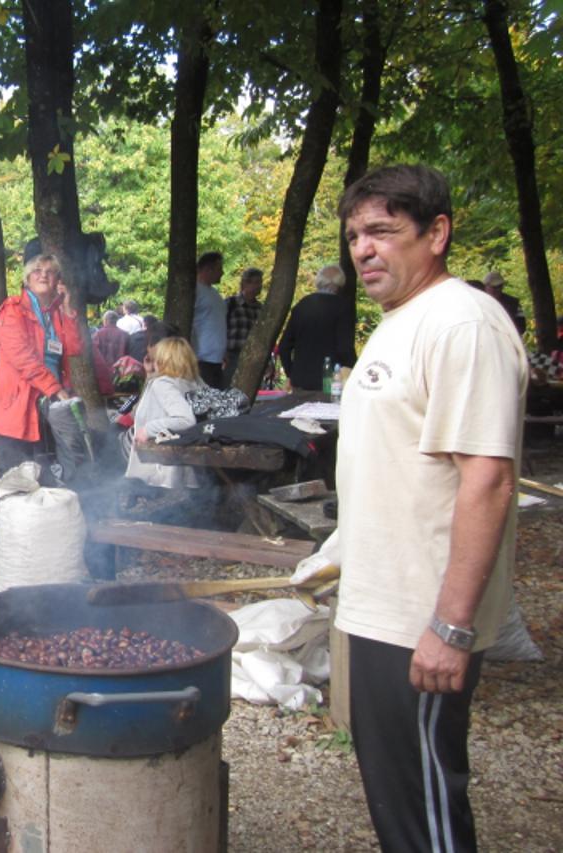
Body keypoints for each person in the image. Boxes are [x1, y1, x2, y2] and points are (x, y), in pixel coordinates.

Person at [311, 164, 526, 851]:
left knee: (423, 810)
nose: (363, 249)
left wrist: (451, 627)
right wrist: (342, 551)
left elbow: (488, 480)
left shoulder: (462, 323)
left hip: (421, 618)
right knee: (398, 796)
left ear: (437, 233)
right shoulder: (399, 321)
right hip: (383, 606)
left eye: (381, 230)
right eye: (354, 235)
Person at [0, 252, 85, 475]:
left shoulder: (56, 313)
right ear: (27, 278)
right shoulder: (13, 310)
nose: (43, 275)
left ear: (58, 280)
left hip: (49, 404)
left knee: (47, 472)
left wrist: (67, 309)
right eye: (37, 271)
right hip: (18, 404)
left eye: (50, 272)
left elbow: (75, 348)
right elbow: (22, 358)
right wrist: (55, 389)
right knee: (15, 476)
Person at [124, 337, 205, 489]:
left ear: (162, 360)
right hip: (184, 459)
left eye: (156, 358)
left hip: (162, 465)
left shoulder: (163, 383)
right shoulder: (194, 381)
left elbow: (185, 420)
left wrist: (147, 430)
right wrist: (150, 374)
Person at [277, 265, 358, 391]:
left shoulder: (302, 305)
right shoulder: (343, 308)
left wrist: (291, 374)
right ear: (339, 283)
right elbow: (345, 349)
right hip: (331, 383)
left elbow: (284, 347)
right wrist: (355, 372)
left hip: (300, 382)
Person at [190, 251, 227, 389]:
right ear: (207, 269)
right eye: (219, 269)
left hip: (217, 359)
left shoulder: (215, 294)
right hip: (201, 358)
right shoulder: (195, 291)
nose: (222, 272)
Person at [224, 267, 264, 383]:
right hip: (231, 356)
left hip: (253, 359)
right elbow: (219, 329)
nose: (258, 286)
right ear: (245, 283)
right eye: (255, 282)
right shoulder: (230, 303)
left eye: (259, 282)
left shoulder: (261, 309)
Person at [482, 271, 527, 335]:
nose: (497, 290)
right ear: (486, 286)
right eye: (494, 287)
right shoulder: (478, 302)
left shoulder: (513, 303)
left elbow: (521, 326)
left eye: (499, 286)